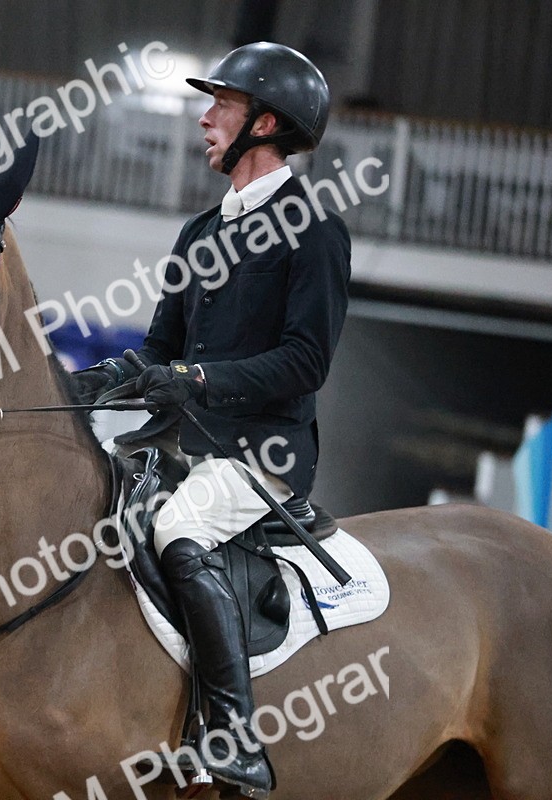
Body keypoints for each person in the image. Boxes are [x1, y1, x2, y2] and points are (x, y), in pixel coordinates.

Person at [73, 42, 351, 798]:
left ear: (265, 122)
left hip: (263, 454)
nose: (204, 118)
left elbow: (305, 362)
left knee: (177, 531)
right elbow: (159, 350)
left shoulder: (313, 227)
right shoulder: (200, 233)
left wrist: (196, 378)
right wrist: (92, 384)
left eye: (220, 106)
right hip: (181, 446)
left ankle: (233, 736)